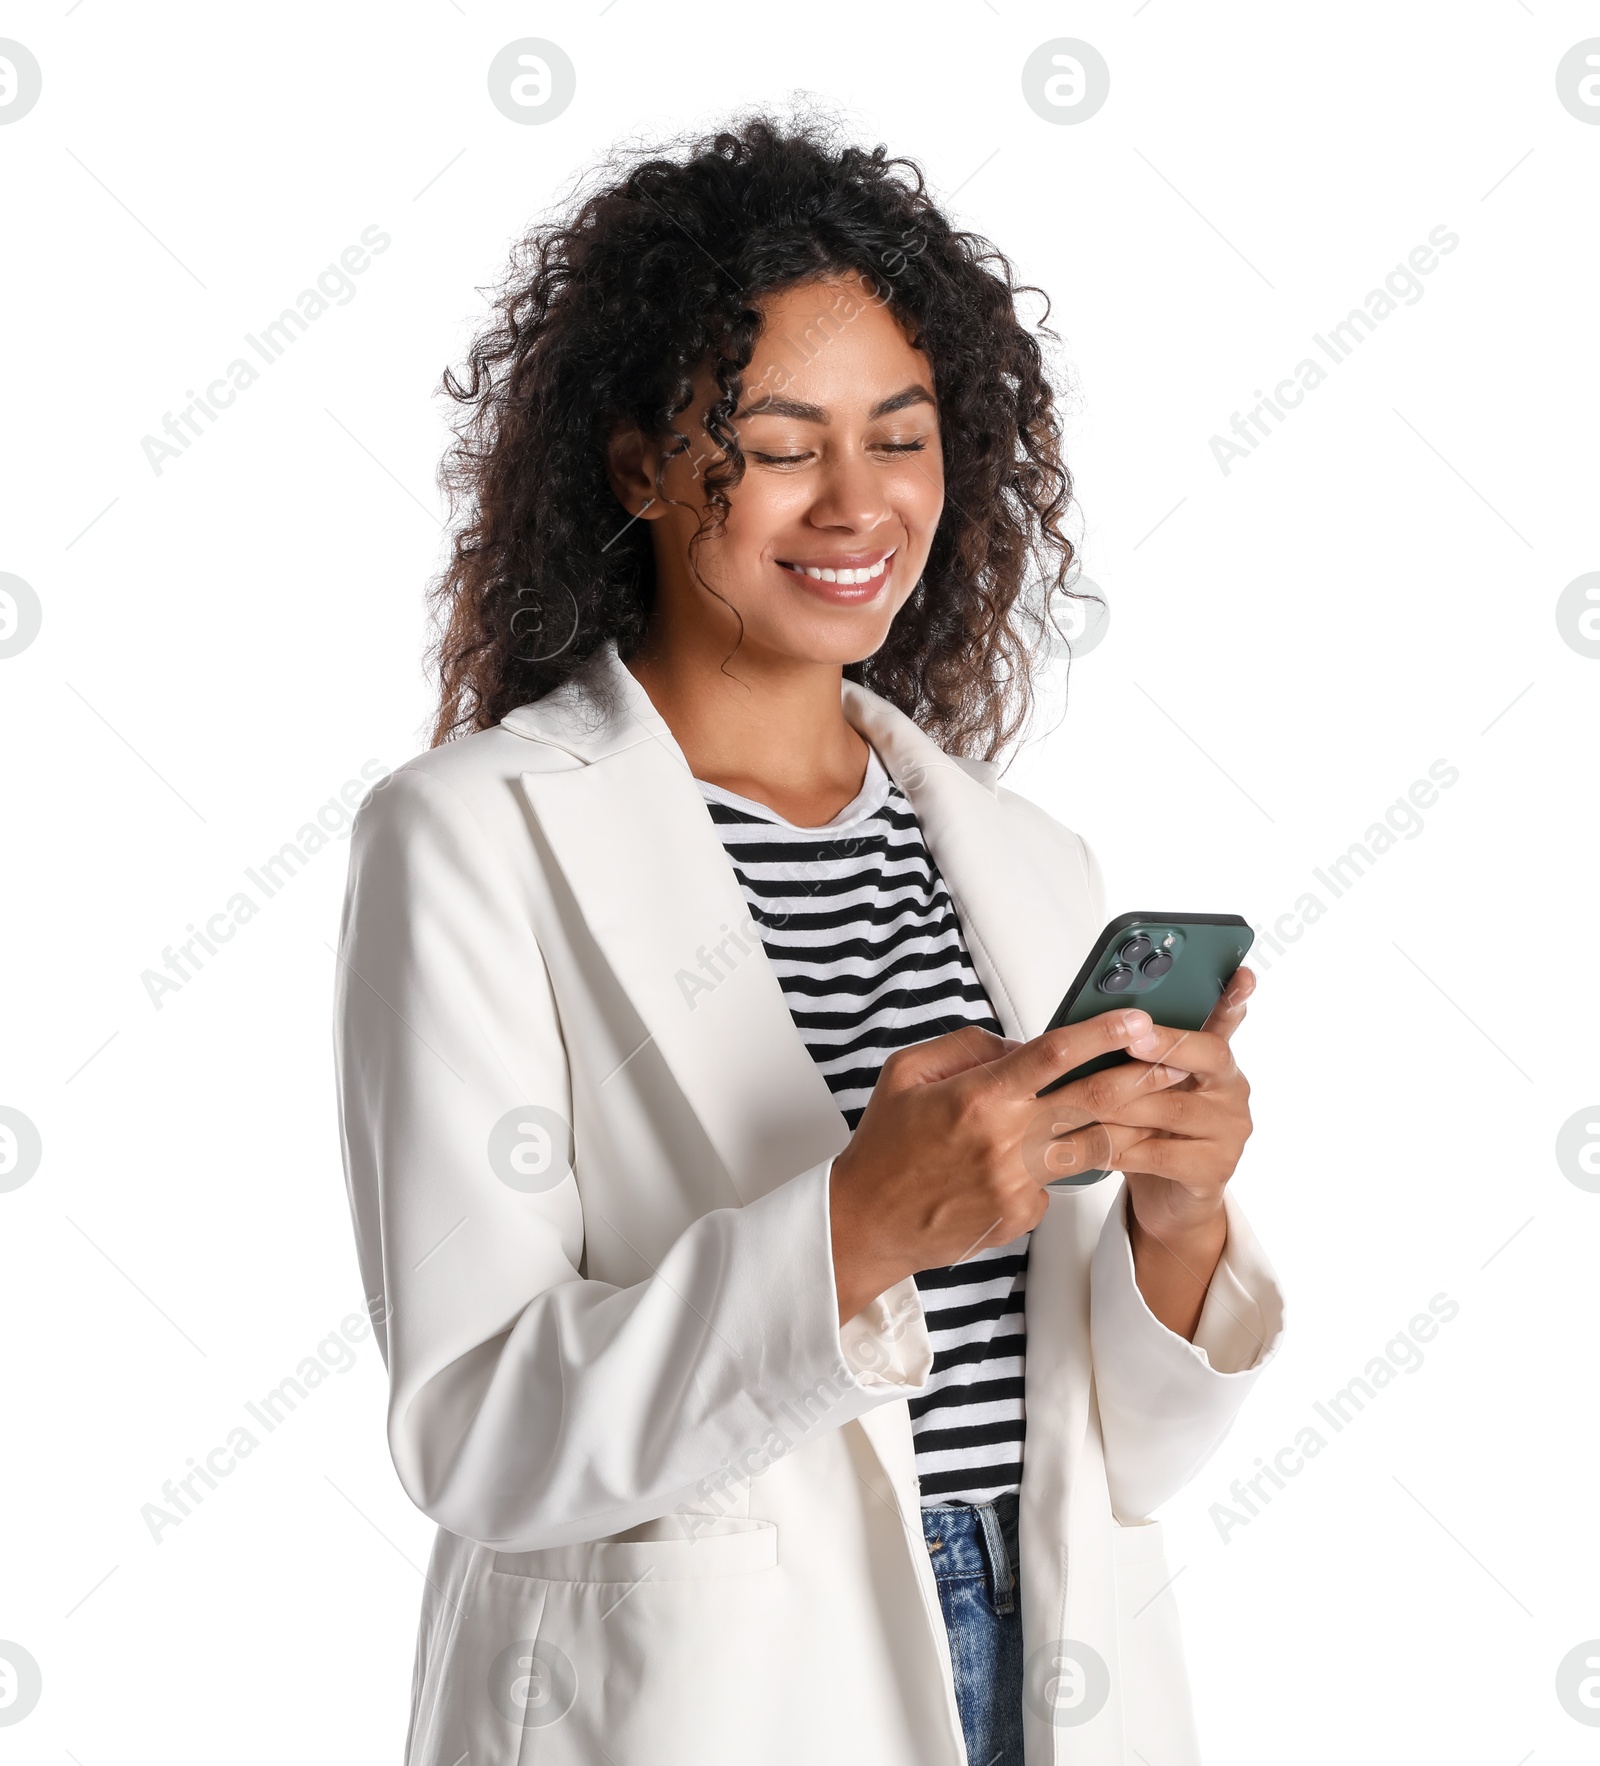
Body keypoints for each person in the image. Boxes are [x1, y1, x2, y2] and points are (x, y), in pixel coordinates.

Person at [333, 116, 1285, 1766]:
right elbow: (475, 1427)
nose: (859, 502)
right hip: (713, 1700)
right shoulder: (472, 836)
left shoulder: (1025, 860)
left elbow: (1118, 1447)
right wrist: (848, 1227)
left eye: (902, 437)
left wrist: (1179, 1216)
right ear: (638, 463)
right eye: (779, 441)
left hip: (1060, 1663)